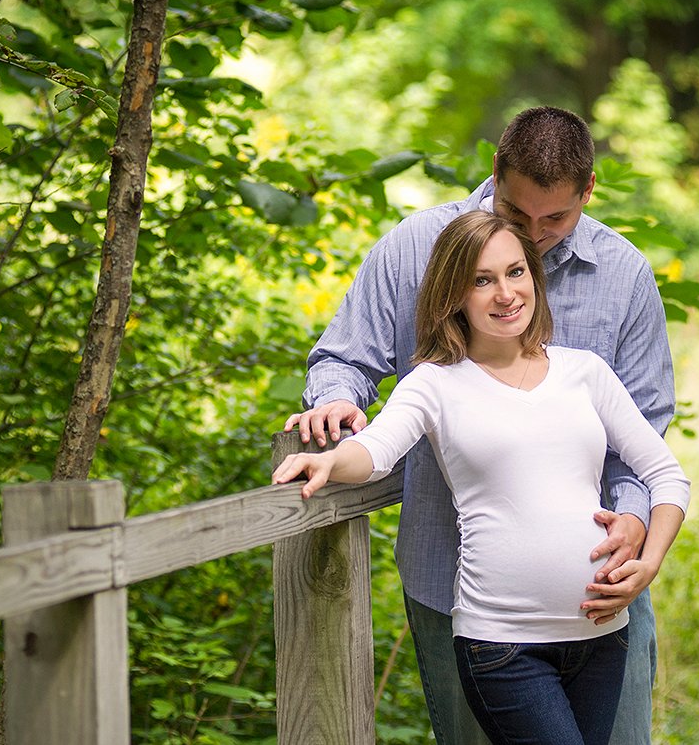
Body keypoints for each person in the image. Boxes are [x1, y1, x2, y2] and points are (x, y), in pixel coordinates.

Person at [285, 106, 676, 744]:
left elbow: (648, 429)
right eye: (518, 216)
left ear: (588, 191)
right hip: (460, 597)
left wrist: (635, 519)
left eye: (557, 219)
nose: (536, 236)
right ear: (496, 170)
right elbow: (345, 361)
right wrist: (335, 404)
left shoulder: (624, 273)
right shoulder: (417, 247)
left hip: (602, 595)